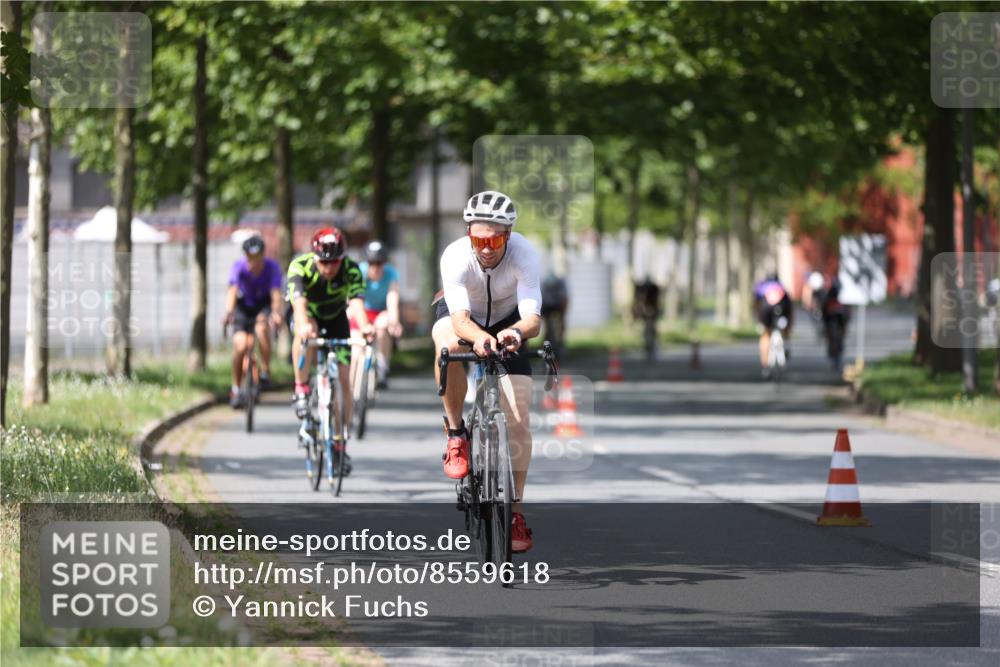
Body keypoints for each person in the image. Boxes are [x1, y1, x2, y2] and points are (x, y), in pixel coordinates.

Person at [433, 190, 541, 553]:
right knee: (448, 346)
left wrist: (515, 333)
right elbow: (460, 319)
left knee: (520, 415)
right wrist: (479, 339)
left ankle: (516, 513)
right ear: (469, 234)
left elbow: (533, 318)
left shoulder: (525, 254)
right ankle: (456, 433)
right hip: (463, 315)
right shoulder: (455, 256)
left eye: (495, 239)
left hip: (509, 319)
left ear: (508, 234)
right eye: (478, 238)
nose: (487, 247)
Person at [287, 228, 375, 472]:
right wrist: (303, 324)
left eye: (334, 262)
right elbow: (299, 303)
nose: (329, 268)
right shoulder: (300, 266)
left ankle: (339, 443)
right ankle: (302, 388)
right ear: (315, 257)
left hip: (336, 319)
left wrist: (366, 326)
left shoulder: (351, 269)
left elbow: (356, 303)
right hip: (309, 314)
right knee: (306, 333)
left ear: (342, 258)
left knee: (344, 381)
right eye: (324, 262)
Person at [223, 235, 284, 409]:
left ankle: (265, 371)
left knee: (261, 328)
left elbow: (275, 294)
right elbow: (233, 290)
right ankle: (235, 388)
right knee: (241, 345)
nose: (254, 262)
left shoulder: (272, 268)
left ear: (263, 255)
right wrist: (229, 312)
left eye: (257, 258)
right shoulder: (239, 267)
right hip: (244, 307)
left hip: (262, 306)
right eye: (250, 257)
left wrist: (276, 313)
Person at [350, 240, 403, 389]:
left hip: (380, 312)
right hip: (362, 312)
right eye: (372, 263)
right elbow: (352, 297)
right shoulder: (360, 272)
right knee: (356, 352)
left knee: (383, 325)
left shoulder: (391, 274)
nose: (375, 267)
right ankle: (352, 391)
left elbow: (392, 298)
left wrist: (394, 321)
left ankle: (382, 364)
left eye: (379, 263)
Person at [754, 272, 793, 378]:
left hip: (765, 309)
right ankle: (786, 344)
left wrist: (759, 321)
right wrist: (790, 326)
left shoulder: (761, 287)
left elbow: (756, 305)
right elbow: (789, 308)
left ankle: (765, 365)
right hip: (782, 308)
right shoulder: (782, 287)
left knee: (765, 335)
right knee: (785, 328)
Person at [540, 270, 569, 357]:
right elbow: (540, 301)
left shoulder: (561, 284)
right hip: (547, 306)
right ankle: (545, 345)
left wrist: (563, 316)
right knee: (547, 328)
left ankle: (560, 344)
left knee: (560, 326)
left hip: (558, 305)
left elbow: (565, 300)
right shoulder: (544, 284)